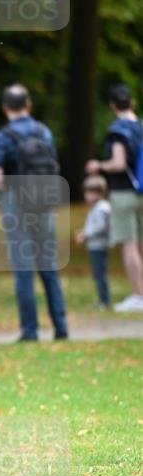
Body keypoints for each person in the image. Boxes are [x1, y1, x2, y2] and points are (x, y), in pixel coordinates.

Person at [0, 83, 69, 342]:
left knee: (23, 267)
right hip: (43, 203)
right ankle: (61, 326)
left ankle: (30, 330)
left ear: (5, 108)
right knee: (49, 264)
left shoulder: (3, 136)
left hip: (16, 202)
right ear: (29, 105)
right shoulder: (43, 132)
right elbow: (54, 166)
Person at [85, 84, 143, 313]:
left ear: (111, 105)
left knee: (129, 245)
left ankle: (139, 295)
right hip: (142, 190)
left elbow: (118, 163)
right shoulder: (140, 126)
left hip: (123, 193)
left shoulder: (117, 130)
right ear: (132, 102)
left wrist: (98, 165)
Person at [75, 175, 111, 309]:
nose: (87, 196)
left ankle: (104, 301)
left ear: (99, 193)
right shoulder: (96, 207)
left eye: (90, 193)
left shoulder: (101, 208)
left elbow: (100, 227)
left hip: (99, 246)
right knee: (97, 274)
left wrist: (85, 234)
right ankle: (102, 299)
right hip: (94, 246)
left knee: (100, 274)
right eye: (86, 192)